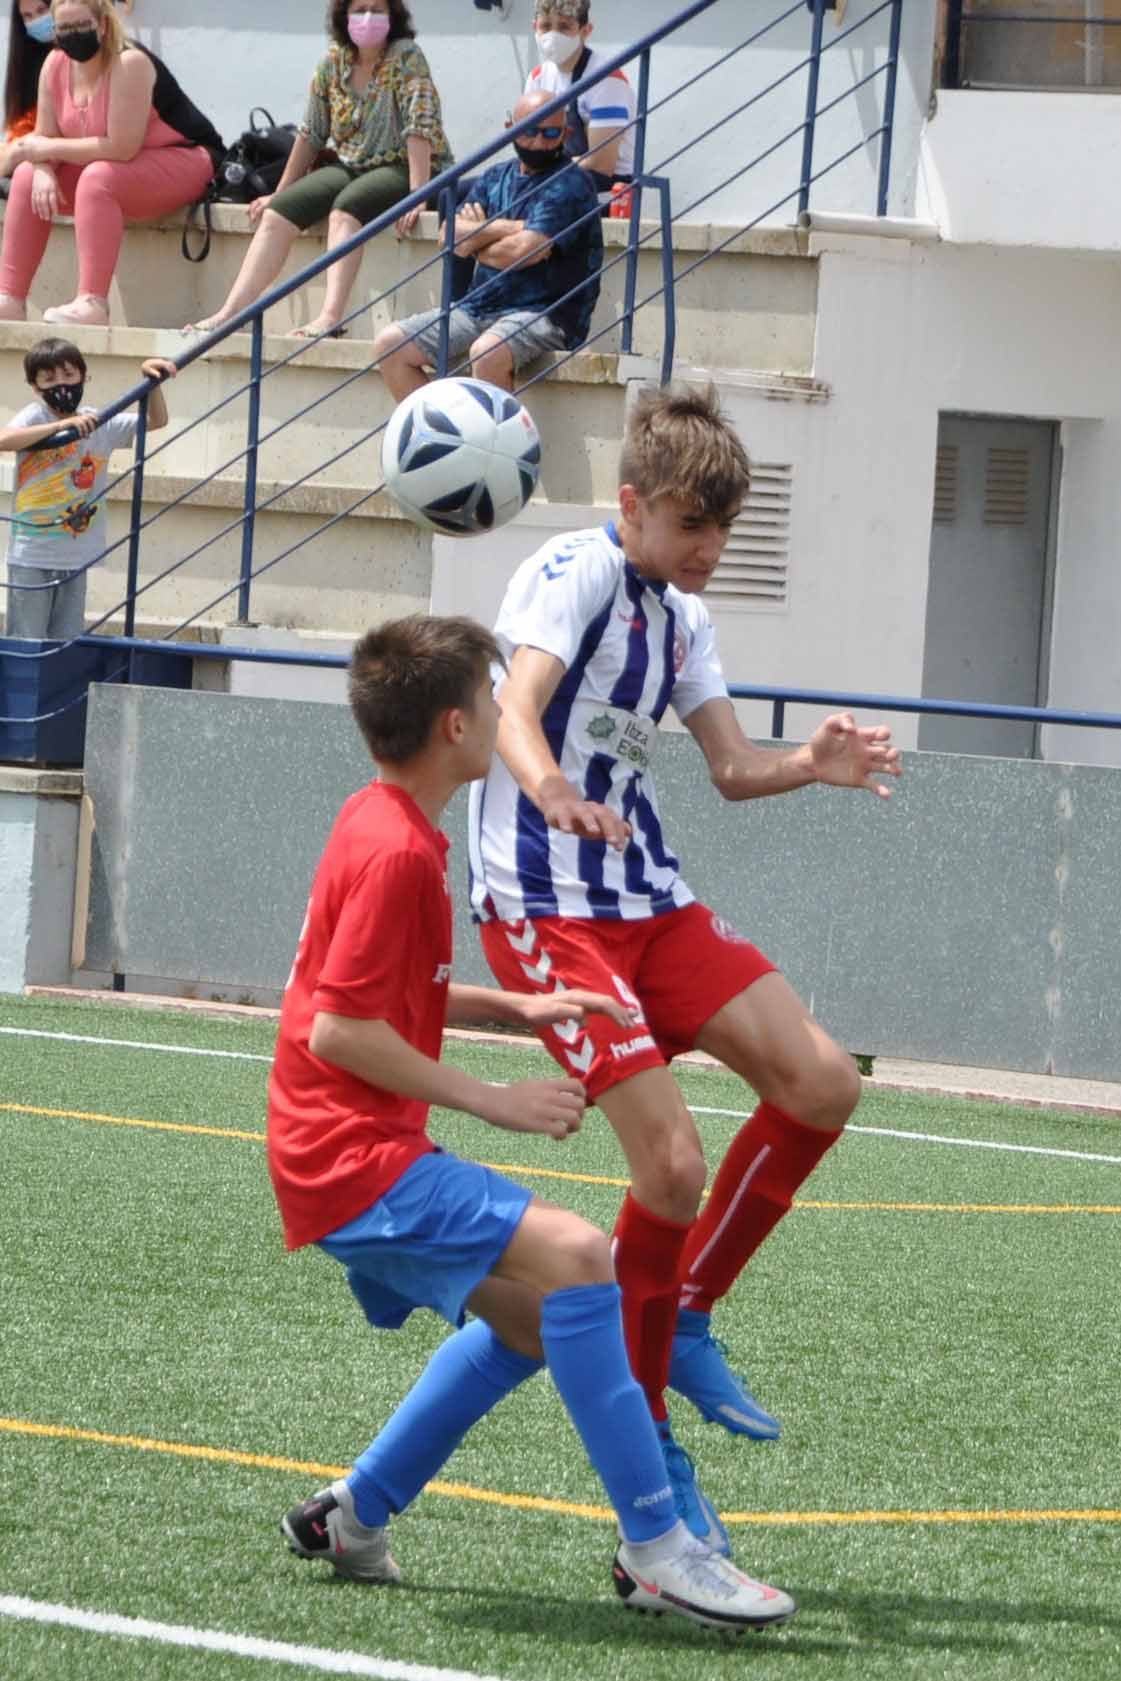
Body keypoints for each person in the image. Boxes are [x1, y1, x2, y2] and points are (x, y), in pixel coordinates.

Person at [267, 613, 796, 1635]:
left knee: (526, 1320)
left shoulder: (381, 822)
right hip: (348, 1159)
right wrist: (492, 1097)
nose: (516, 716)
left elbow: (383, 991)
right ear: (459, 728)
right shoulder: (397, 855)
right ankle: (658, 1548)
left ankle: (356, 1512)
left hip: (341, 1153)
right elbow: (338, 1030)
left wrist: (516, 1008)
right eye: (499, 699)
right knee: (583, 1260)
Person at [468, 384, 903, 1548]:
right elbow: (512, 704)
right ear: (632, 507)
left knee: (823, 1083)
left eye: (723, 529)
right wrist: (549, 786)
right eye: (690, 526)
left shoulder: (684, 617)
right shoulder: (576, 573)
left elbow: (726, 769)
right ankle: (648, 1430)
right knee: (669, 1165)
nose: (708, 549)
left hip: (646, 901)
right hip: (545, 910)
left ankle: (689, 1309)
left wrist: (808, 763)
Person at [185, 1, 453, 343]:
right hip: (351, 163)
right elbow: (311, 132)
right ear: (344, 16)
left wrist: (420, 193)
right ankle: (230, 313)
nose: (368, 17)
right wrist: (279, 192)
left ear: (393, 16)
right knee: (279, 214)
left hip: (400, 165)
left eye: (377, 9)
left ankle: (330, 317)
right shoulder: (332, 62)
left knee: (345, 210)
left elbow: (420, 125)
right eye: (359, 8)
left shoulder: (406, 56)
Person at [0, 0, 221, 327]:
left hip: (185, 157)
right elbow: (44, 138)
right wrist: (43, 168)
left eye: (80, 26)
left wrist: (43, 149)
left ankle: (92, 303)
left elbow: (120, 148)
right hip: (121, 168)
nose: (72, 35)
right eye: (65, 29)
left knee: (97, 176)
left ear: (102, 25)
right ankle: (9, 299)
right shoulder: (54, 65)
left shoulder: (129, 61)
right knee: (24, 178)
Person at [373, 90, 602, 397]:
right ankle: (449, 437)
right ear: (511, 127)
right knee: (391, 346)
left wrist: (476, 238)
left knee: (486, 352)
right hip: (478, 307)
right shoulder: (495, 177)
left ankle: (498, 444)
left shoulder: (570, 184)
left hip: (545, 313)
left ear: (567, 133)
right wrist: (508, 228)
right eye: (530, 130)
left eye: (550, 133)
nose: (538, 142)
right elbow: (449, 236)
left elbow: (524, 252)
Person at [0, 334, 175, 638]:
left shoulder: (98, 422)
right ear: (35, 387)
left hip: (76, 554)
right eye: (49, 378)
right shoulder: (35, 417)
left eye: (69, 375)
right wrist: (59, 427)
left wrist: (152, 383)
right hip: (31, 555)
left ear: (83, 376)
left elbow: (156, 421)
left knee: (65, 641)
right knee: (26, 642)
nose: (61, 385)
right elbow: (3, 439)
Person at [525, 0, 637, 212]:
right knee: (450, 193)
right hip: (550, 175)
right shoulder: (537, 78)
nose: (553, 36)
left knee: (523, 197)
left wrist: (542, 172)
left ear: (586, 31)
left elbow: (601, 164)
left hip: (605, 187)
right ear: (534, 28)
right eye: (546, 26)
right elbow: (528, 145)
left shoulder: (606, 79)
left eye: (565, 27)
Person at [1, 2, 54, 185]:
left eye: (42, 10)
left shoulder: (76, 57)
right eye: (27, 16)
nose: (37, 21)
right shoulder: (30, 58)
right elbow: (25, 121)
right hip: (34, 142)